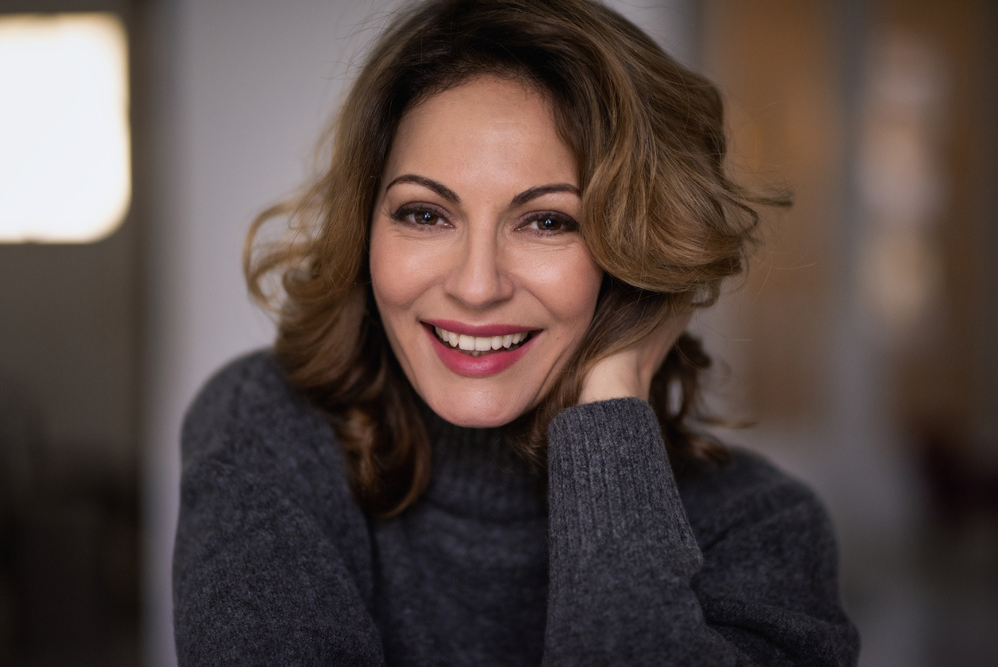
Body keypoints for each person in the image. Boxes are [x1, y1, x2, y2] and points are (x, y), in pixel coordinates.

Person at [173, 0, 860, 664]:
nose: (476, 286)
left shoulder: (762, 527)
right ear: (363, 232)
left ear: (634, 254)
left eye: (548, 221)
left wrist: (611, 405)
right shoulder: (266, 425)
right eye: (423, 214)